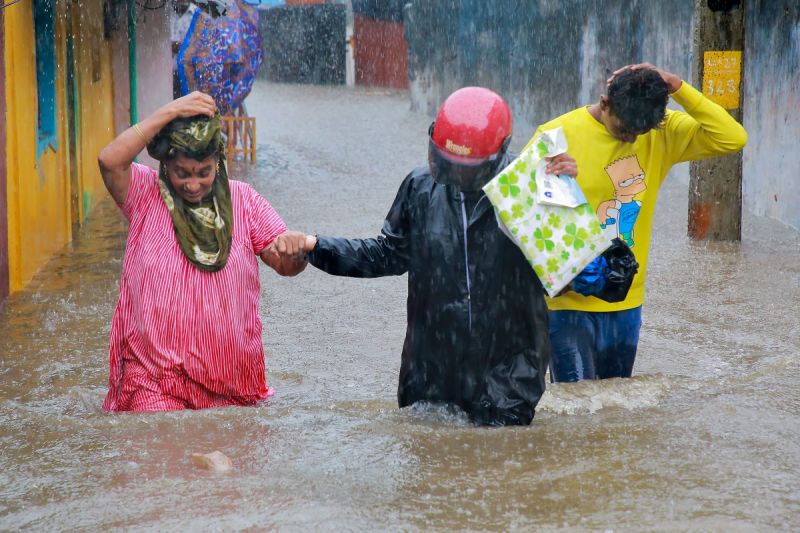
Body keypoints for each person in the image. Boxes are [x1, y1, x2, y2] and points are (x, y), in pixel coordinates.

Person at [303, 87, 577, 426]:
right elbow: (386, 255)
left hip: (509, 373)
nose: (458, 178)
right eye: (450, 166)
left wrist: (569, 204)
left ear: (502, 151)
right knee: (430, 465)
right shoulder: (419, 189)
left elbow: (589, 276)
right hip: (431, 372)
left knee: (504, 469)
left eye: (470, 170)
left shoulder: (535, 186)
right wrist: (315, 247)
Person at [526, 63, 748, 383]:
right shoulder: (554, 138)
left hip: (626, 299)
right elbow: (519, 216)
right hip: (567, 302)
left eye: (638, 133)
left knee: (616, 406)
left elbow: (733, 137)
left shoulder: (661, 133)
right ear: (605, 104)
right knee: (577, 405)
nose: (632, 140)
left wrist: (678, 86)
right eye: (623, 130)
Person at [97, 91, 309, 411]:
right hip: (154, 379)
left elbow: (283, 264)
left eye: (203, 172)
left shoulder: (244, 201)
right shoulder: (145, 193)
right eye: (182, 173)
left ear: (218, 163)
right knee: (157, 452)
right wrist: (170, 111)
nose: (193, 185)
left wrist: (295, 254)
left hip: (232, 380)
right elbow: (109, 160)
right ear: (166, 164)